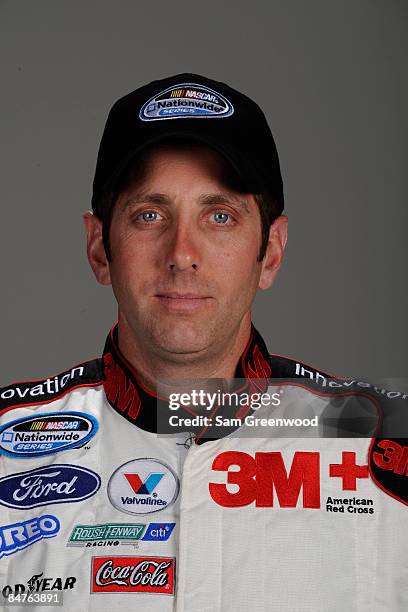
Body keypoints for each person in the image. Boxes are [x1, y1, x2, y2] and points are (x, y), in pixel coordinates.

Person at [0, 73, 406, 611]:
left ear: (272, 251)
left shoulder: (385, 438)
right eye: (150, 215)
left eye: (220, 216)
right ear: (100, 249)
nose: (182, 252)